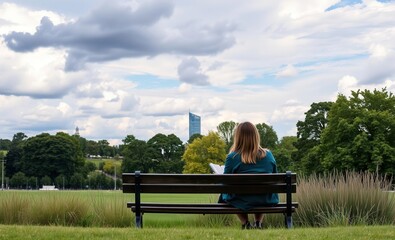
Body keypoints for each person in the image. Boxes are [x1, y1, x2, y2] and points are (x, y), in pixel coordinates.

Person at [219, 121, 279, 229]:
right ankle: (258, 223)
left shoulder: (232, 157)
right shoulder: (268, 155)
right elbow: (275, 177)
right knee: (260, 192)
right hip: (265, 199)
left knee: (228, 194)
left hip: (241, 199)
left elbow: (225, 182)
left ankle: (245, 223)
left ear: (238, 137)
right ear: (256, 136)